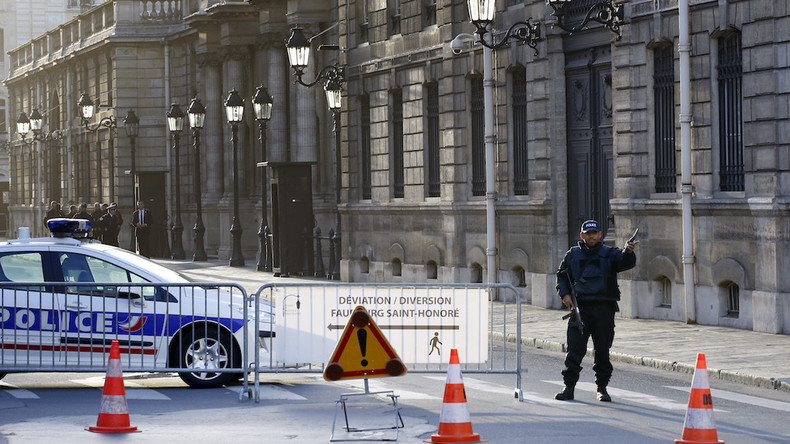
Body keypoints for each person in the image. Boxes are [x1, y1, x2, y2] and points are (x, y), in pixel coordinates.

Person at [554, 220, 639, 403]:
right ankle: (568, 388)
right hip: (580, 309)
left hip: (603, 309)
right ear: (582, 235)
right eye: (588, 233)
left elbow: (624, 263)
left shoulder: (609, 253)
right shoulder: (573, 254)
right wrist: (565, 295)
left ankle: (602, 388)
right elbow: (561, 276)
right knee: (574, 350)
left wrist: (629, 252)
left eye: (594, 233)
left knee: (602, 350)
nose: (591, 236)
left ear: (600, 235)